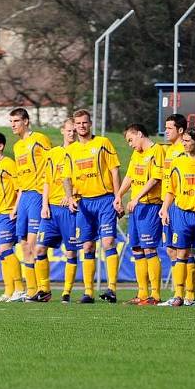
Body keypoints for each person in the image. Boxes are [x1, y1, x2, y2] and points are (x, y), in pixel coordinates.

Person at [64, 109, 122, 304]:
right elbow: (66, 177)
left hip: (105, 200)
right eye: (78, 123)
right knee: (87, 245)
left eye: (85, 123)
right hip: (83, 202)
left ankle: (112, 289)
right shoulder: (71, 150)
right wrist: (70, 196)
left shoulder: (103, 143)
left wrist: (117, 197)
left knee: (107, 242)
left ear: (90, 124)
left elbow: (114, 171)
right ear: (74, 126)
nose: (81, 126)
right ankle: (88, 292)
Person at [160, 128, 195, 307]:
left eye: (187, 141)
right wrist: (165, 208)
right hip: (183, 215)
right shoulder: (177, 163)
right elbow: (171, 190)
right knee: (182, 253)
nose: (183, 144)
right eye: (183, 141)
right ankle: (180, 294)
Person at [116, 123, 165, 305]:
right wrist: (119, 195)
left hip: (151, 206)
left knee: (149, 248)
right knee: (136, 248)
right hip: (137, 209)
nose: (130, 144)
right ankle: (142, 293)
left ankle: (156, 294)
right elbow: (129, 176)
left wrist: (136, 197)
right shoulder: (137, 154)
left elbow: (155, 178)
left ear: (139, 134)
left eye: (131, 139)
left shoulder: (157, 150)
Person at [32, 119, 78, 303]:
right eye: (69, 130)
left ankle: (66, 292)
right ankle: (44, 290)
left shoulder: (79, 152)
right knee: (39, 248)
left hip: (70, 210)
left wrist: (73, 196)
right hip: (51, 209)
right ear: (62, 131)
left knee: (71, 252)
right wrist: (44, 205)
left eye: (74, 130)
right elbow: (46, 181)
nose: (72, 133)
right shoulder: (52, 154)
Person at [9, 108, 52, 300]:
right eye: (11, 121)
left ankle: (45, 289)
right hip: (24, 197)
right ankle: (32, 291)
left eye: (16, 121)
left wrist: (46, 199)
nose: (13, 125)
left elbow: (51, 165)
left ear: (26, 121)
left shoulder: (40, 139)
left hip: (36, 195)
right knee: (24, 245)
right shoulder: (17, 147)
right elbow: (19, 178)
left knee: (34, 245)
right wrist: (16, 206)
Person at [159, 114, 195, 305]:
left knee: (185, 250)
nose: (166, 131)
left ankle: (188, 295)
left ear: (180, 130)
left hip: (181, 206)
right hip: (168, 205)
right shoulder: (168, 152)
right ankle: (178, 293)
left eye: (169, 128)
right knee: (171, 250)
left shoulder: (183, 151)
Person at [0, 132, 25, 302]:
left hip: (7, 212)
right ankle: (9, 291)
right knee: (1, 252)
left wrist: (15, 208)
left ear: (0, 146)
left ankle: (20, 289)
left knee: (7, 249)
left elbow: (20, 188)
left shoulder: (8, 163)